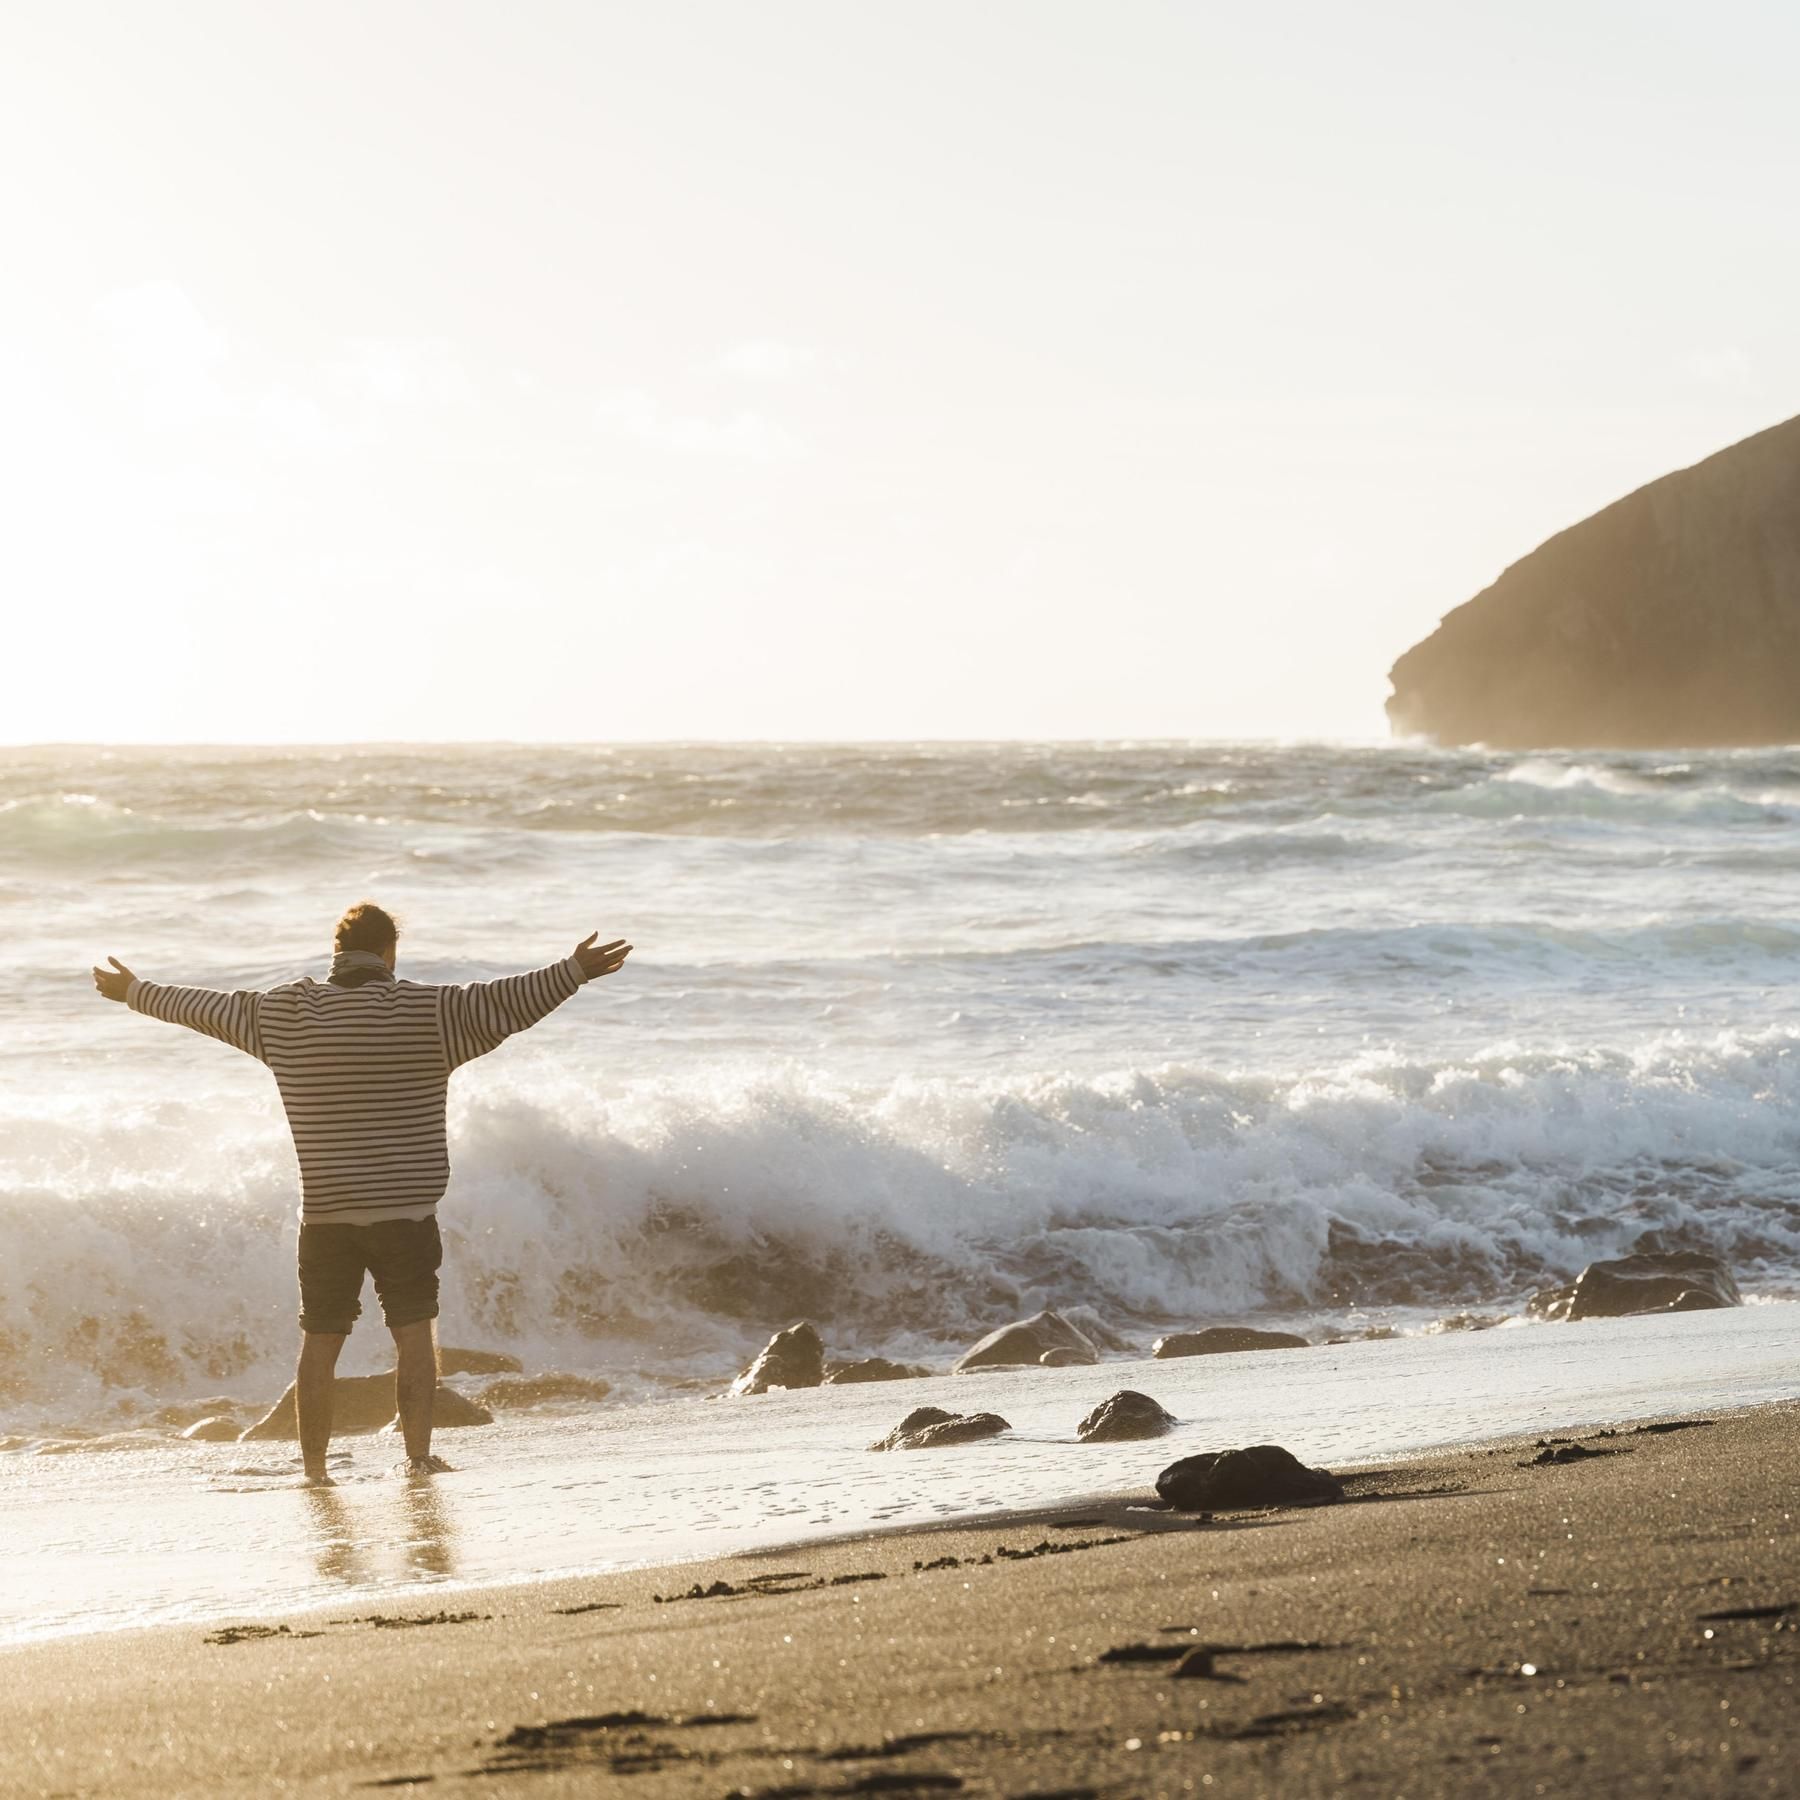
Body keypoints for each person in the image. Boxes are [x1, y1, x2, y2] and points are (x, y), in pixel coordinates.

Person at [91, 902, 630, 1483]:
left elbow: (204, 1007)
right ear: (389, 953)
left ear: (336, 952)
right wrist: (574, 970)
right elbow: (508, 999)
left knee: (320, 1343)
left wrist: (134, 991)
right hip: (406, 1213)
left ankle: (315, 1470)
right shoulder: (432, 1013)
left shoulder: (282, 1015)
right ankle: (418, 1457)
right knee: (414, 1336)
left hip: (326, 1214)